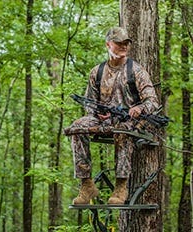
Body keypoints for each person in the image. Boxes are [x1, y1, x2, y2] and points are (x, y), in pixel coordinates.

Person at [67, 27, 159, 205]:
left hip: (129, 121)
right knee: (76, 127)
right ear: (108, 44)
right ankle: (86, 185)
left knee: (122, 129)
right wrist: (98, 113)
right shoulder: (97, 72)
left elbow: (152, 102)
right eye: (119, 43)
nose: (123, 46)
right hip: (104, 120)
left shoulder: (136, 71)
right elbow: (90, 103)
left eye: (126, 43)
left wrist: (139, 108)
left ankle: (120, 186)